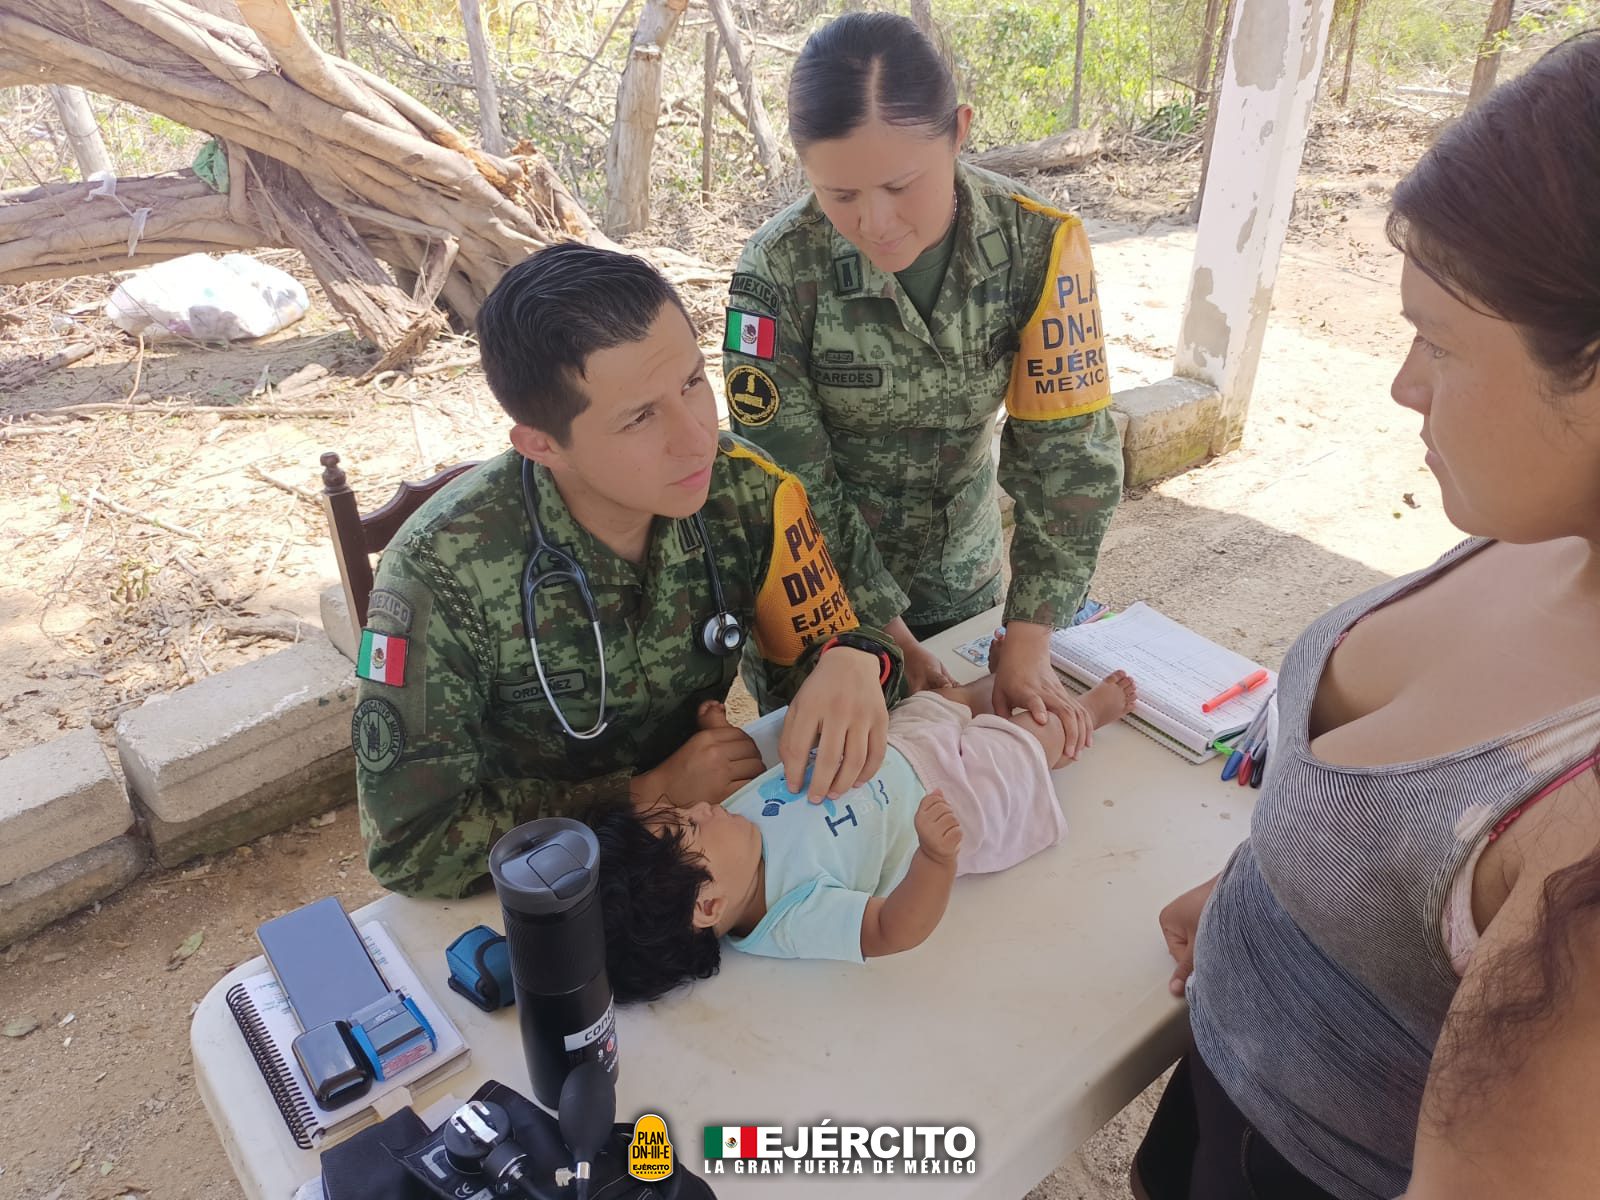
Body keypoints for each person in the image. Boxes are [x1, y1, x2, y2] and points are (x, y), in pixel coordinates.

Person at [1136, 34, 1600, 1200]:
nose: (1401, 382)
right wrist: (1285, 891)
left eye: (1438, 343)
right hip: (1222, 1098)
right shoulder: (1546, 522)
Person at [353, 244, 906, 898]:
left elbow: (832, 659)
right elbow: (411, 843)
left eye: (692, 383)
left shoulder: (745, 493)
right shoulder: (438, 576)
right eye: (641, 417)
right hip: (549, 897)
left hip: (717, 868)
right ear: (541, 444)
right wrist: (645, 795)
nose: (698, 436)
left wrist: (852, 658)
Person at [721, 11, 1123, 757]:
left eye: (901, 184)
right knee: (840, 787)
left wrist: (1030, 630)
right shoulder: (778, 272)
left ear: (959, 131)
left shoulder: (1039, 245)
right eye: (840, 195)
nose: (874, 222)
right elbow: (786, 487)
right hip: (822, 608)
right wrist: (881, 636)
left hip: (962, 579)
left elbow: (1069, 458)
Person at [591, 664, 1138, 1001]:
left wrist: (719, 734)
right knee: (1023, 746)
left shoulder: (730, 837)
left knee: (943, 701)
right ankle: (1088, 712)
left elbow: (761, 781)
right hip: (955, 797)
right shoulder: (793, 917)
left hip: (897, 744)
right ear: (708, 905)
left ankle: (993, 685)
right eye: (689, 825)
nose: (700, 810)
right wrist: (935, 859)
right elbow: (890, 930)